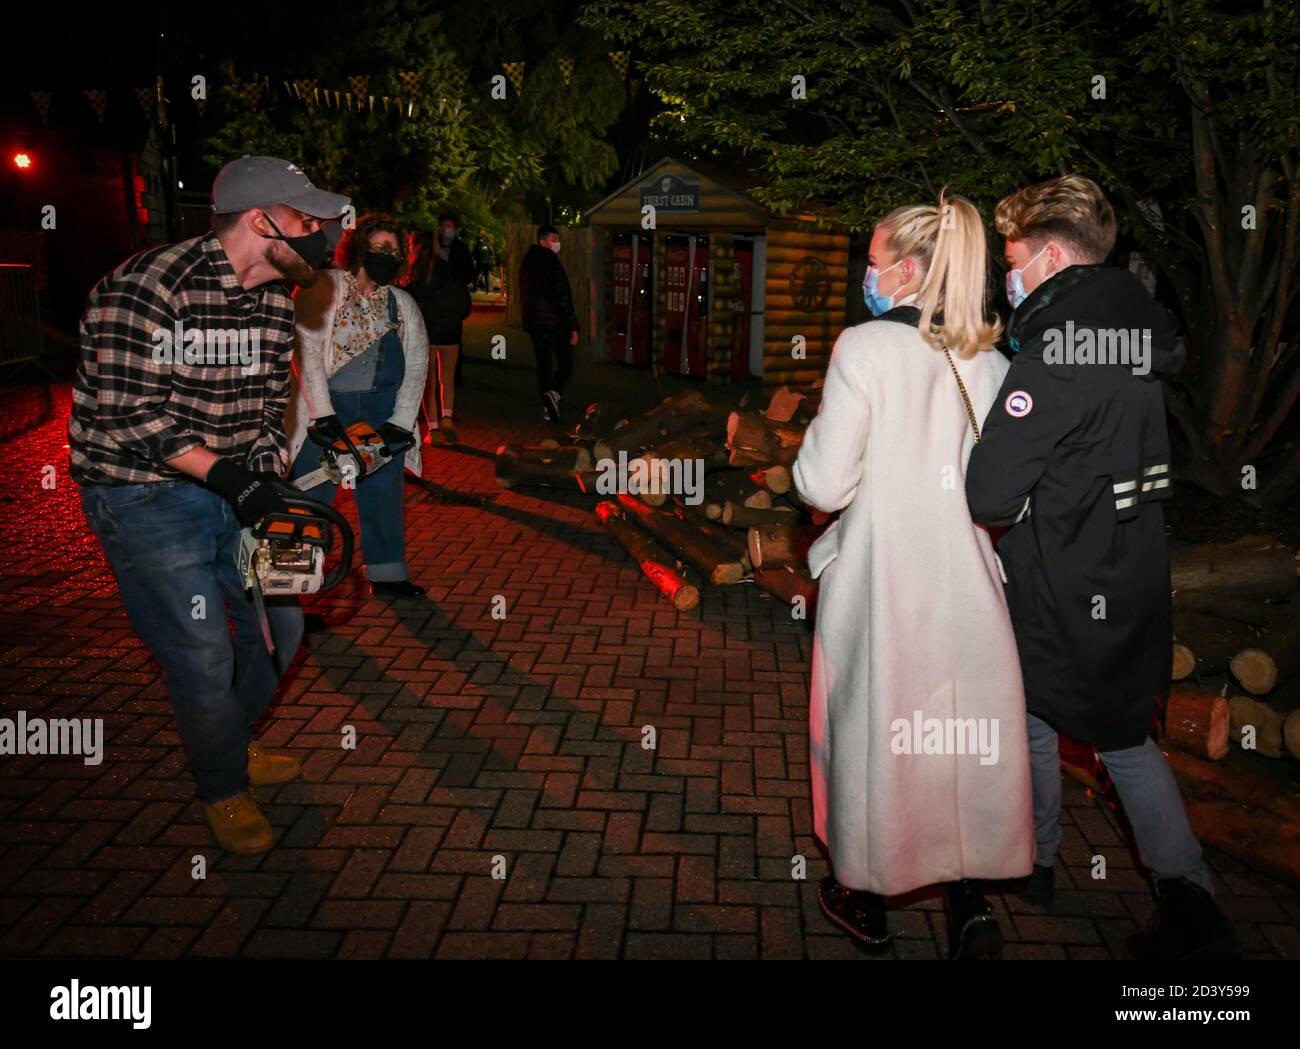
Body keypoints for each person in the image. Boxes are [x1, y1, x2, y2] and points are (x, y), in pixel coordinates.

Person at [965, 174, 1241, 960]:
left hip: (1061, 577)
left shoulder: (1055, 346)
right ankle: (1190, 895)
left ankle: (1038, 858)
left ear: (1052, 256)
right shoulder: (1135, 325)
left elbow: (990, 489)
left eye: (1013, 260)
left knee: (1032, 718)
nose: (1008, 277)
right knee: (1125, 737)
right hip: (1135, 571)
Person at [69, 156, 350, 854]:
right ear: (263, 221)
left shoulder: (275, 301)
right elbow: (130, 416)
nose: (324, 235)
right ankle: (223, 785)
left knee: (280, 631)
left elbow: (263, 414)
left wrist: (269, 482)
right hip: (142, 497)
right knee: (201, 652)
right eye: (307, 221)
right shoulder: (146, 286)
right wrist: (234, 482)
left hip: (231, 488)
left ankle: (228, 740)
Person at [792, 192, 1033, 959]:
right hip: (967, 587)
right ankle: (968, 905)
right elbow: (1012, 499)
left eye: (871, 258)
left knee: (871, 734)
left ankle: (864, 899)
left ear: (909, 268)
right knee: (954, 741)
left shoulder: (863, 349)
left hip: (880, 584)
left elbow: (823, 485)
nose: (865, 272)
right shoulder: (992, 361)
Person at [287, 213, 429, 599]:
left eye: (395, 252)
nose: (388, 256)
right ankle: (291, 584)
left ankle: (387, 574)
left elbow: (417, 364)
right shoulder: (323, 287)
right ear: (359, 248)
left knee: (384, 493)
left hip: (382, 412)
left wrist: (401, 420)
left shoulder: (402, 304)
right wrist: (321, 413)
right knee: (308, 496)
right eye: (380, 248)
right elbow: (307, 350)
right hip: (328, 412)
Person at [408, 228, 471, 444]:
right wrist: (456, 318)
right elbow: (464, 300)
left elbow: (411, 307)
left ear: (415, 247)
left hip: (427, 335)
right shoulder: (449, 270)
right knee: (448, 378)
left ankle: (433, 430)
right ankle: (447, 416)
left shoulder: (415, 273)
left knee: (429, 383)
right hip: (451, 333)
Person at [519, 224, 579, 423]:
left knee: (543, 365)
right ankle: (553, 394)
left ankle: (548, 408)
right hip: (555, 322)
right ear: (542, 241)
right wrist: (573, 326)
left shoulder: (527, 263)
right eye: (553, 239)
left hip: (535, 323)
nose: (557, 243)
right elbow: (563, 296)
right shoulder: (551, 263)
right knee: (566, 362)